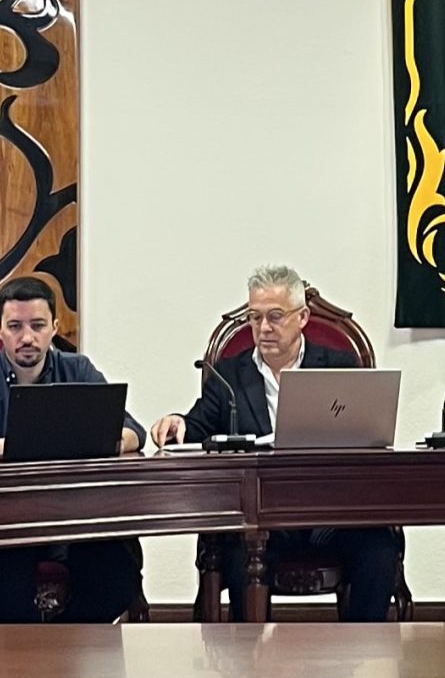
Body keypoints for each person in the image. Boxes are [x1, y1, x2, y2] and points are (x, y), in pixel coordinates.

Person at [154, 265, 402, 621]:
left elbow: (366, 434)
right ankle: (250, 650)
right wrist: (177, 422)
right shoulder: (229, 375)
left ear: (302, 317)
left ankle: (361, 649)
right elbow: (197, 427)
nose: (263, 328)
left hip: (329, 514)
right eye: (255, 318)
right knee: (239, 550)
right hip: (264, 516)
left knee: (378, 547)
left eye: (275, 316)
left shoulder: (339, 366)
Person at [0, 275, 147, 622]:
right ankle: (33, 653)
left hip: (74, 521)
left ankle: (59, 646)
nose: (27, 337)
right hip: (0, 524)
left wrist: (97, 441)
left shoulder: (77, 369)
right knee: (6, 590)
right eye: (15, 326)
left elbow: (134, 432)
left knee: (117, 578)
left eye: (38, 325)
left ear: (54, 328)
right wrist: (21, 445)